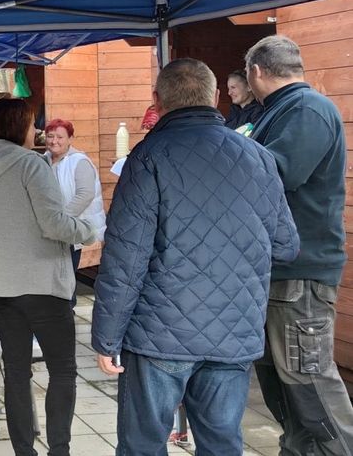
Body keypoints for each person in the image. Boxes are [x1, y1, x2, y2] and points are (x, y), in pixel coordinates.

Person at [92, 58, 299, 455]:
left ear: (158, 100)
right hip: (232, 332)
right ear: (217, 97)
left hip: (158, 336)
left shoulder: (147, 157)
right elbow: (285, 246)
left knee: (142, 446)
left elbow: (125, 260)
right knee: (222, 445)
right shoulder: (258, 157)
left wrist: (106, 336)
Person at [0, 98, 96, 456]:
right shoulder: (31, 165)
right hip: (41, 283)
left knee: (17, 373)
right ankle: (59, 450)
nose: (36, 131)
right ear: (17, 126)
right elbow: (54, 223)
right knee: (63, 371)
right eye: (31, 124)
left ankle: (24, 451)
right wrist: (88, 230)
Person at [246, 35, 353, 455]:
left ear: (256, 72)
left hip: (301, 275)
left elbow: (276, 175)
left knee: (308, 383)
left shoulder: (307, 110)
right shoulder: (282, 111)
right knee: (283, 387)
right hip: (281, 273)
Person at [42, 118, 105, 272]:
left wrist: (61, 221)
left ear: (70, 139)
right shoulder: (43, 161)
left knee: (67, 276)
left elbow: (85, 195)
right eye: (50, 136)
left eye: (60, 137)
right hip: (54, 230)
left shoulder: (80, 162)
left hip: (75, 230)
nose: (54, 141)